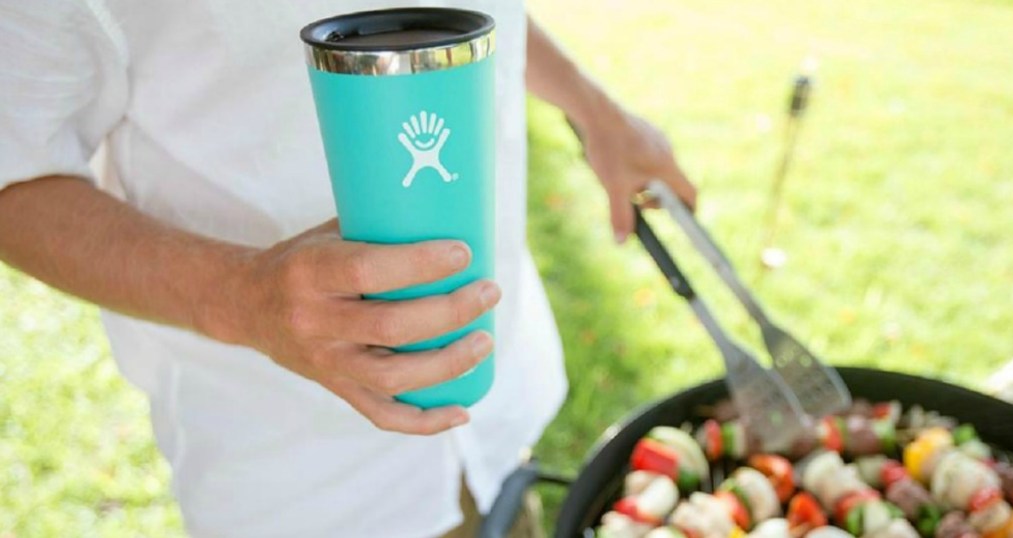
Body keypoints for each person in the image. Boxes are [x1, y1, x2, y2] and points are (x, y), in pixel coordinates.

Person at [0, 1, 696, 536]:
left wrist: (590, 105)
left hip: (500, 405)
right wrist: (244, 297)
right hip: (301, 480)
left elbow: (456, 19)